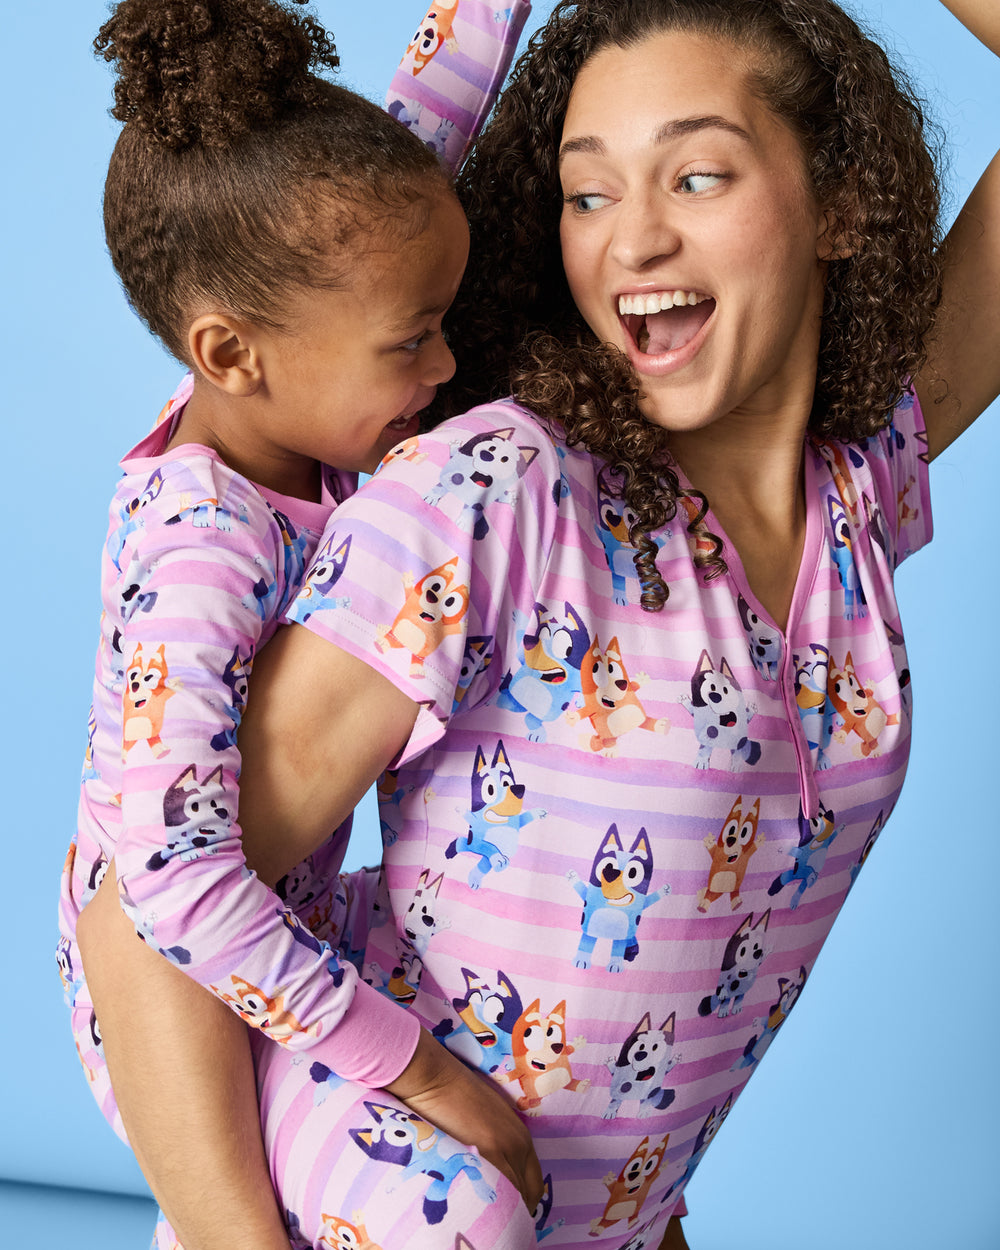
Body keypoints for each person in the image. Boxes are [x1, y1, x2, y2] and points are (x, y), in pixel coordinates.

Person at [77, 0, 998, 1247]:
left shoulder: (850, 495)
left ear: (840, 206)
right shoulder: (494, 491)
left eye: (699, 173)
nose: (635, 238)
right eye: (586, 193)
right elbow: (138, 911)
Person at [59, 1, 533, 1246]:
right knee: (440, 1209)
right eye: (413, 340)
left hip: (299, 920)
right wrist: (414, 1066)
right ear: (231, 353)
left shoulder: (314, 301)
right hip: (184, 979)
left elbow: (450, 90)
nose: (444, 368)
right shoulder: (198, 542)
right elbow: (169, 876)